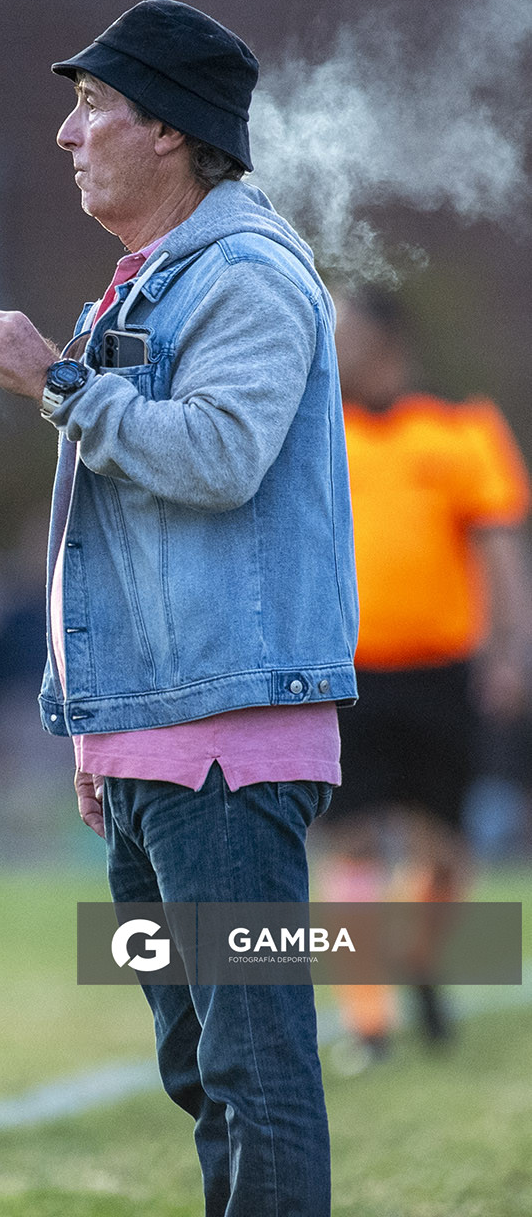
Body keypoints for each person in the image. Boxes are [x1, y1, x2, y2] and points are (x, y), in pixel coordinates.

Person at [0, 0, 358, 1216]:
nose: (67, 135)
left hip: (227, 745)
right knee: (200, 1074)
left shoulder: (248, 275)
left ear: (170, 128)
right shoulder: (146, 284)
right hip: (152, 739)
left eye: (93, 106)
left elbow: (221, 456)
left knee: (253, 1071)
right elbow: (115, 529)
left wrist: (56, 379)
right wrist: (99, 724)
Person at [320, 287, 532, 1066]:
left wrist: (509, 652)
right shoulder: (317, 431)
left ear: (385, 342)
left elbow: (499, 546)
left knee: (441, 850)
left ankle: (422, 961)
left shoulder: (460, 429)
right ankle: (367, 1023)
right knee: (352, 841)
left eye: (342, 333)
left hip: (441, 673)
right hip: (344, 672)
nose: (328, 346)